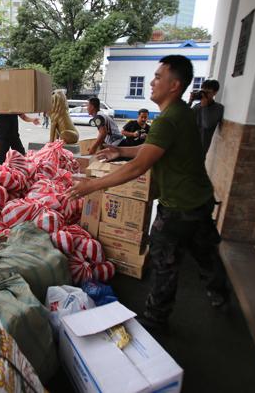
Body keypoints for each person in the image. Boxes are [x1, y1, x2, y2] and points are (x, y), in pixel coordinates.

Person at [68, 55, 228, 331]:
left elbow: (139, 167)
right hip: (199, 200)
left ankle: (156, 319)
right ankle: (220, 297)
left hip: (178, 206)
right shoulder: (180, 113)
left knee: (164, 261)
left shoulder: (169, 119)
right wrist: (121, 150)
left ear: (174, 85)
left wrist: (90, 186)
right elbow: (153, 148)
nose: (152, 82)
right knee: (206, 254)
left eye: (157, 77)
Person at [188, 79, 224, 156]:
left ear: (215, 93)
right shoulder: (197, 106)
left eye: (207, 92)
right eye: (203, 92)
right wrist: (190, 102)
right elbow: (185, 117)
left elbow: (207, 125)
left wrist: (204, 107)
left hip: (201, 148)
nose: (204, 95)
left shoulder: (218, 108)